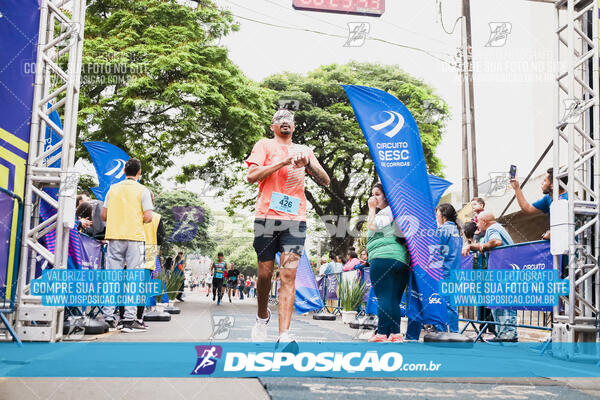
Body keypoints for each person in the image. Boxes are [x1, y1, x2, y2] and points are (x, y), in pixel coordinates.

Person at [246, 109, 330, 345]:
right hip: (266, 218)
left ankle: (284, 334)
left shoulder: (304, 150)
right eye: (280, 120)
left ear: (294, 127)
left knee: (288, 274)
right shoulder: (264, 145)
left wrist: (309, 166)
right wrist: (281, 161)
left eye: (290, 121)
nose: (286, 123)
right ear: (273, 126)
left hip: (295, 220)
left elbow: (325, 180)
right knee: (264, 273)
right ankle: (262, 316)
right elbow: (252, 176)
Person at [101, 158, 153, 333]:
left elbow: (103, 216)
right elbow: (148, 217)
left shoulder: (113, 189)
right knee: (133, 279)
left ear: (124, 171)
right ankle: (129, 319)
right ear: (139, 173)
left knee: (111, 278)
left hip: (114, 237)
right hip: (135, 238)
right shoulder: (143, 190)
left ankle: (108, 318)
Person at [405, 203, 463, 340]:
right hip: (454, 270)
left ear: (443, 215)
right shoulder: (456, 230)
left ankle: (442, 331)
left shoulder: (443, 230)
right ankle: (454, 333)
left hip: (442, 271)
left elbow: (433, 250)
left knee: (442, 303)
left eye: (437, 214)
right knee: (451, 304)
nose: (436, 217)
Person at [463, 211, 518, 342]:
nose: (477, 226)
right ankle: (505, 334)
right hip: (504, 271)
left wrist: (480, 246)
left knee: (502, 303)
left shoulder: (492, 229)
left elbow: (496, 242)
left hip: (502, 272)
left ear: (484, 222)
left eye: (478, 222)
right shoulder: (498, 227)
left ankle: (508, 335)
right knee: (500, 303)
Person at [366, 183, 410, 343]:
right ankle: (395, 333)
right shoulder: (397, 212)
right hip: (401, 260)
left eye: (377, 194)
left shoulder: (388, 211)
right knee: (393, 300)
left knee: (384, 297)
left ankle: (382, 334)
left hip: (383, 258)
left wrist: (371, 209)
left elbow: (372, 226)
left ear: (386, 195)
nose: (373, 198)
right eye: (372, 194)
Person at [510, 167, 568, 239]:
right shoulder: (548, 198)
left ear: (552, 185)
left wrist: (550, 234)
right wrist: (516, 188)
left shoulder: (565, 201)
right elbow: (527, 208)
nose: (541, 183)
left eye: (544, 181)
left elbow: (564, 230)